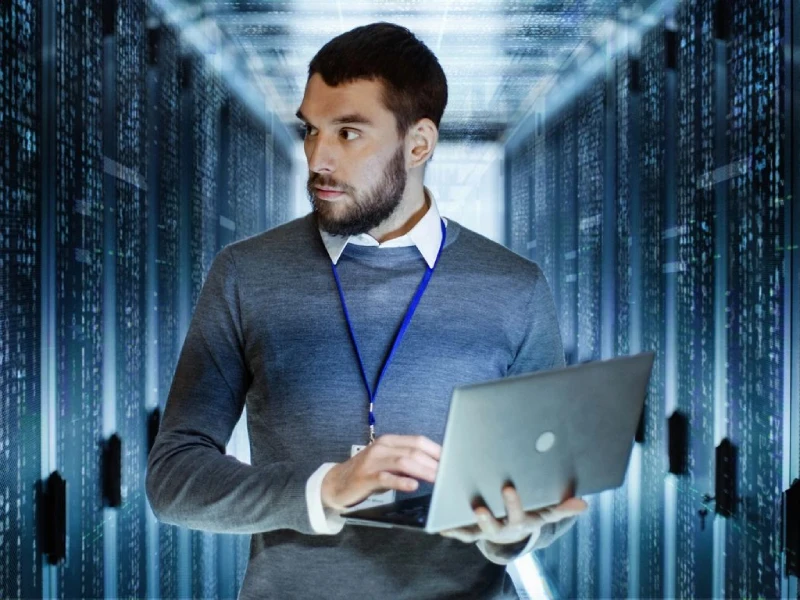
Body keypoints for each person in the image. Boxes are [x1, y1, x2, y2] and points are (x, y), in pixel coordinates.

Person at [146, 21, 586, 599]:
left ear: (419, 144)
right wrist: (324, 488)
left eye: (349, 132)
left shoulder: (515, 287)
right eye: (311, 130)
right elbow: (174, 477)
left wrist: (515, 531)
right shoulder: (245, 274)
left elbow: (548, 488)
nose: (318, 159)